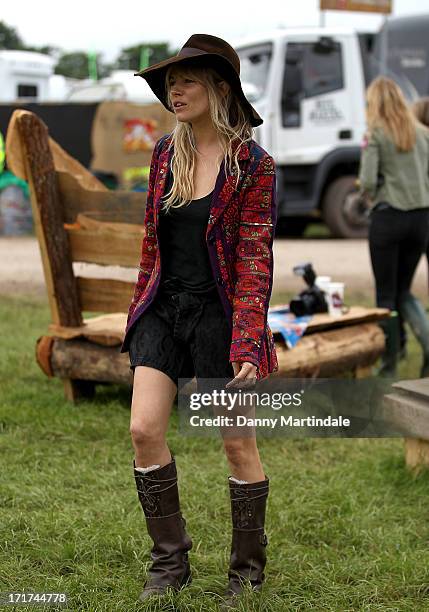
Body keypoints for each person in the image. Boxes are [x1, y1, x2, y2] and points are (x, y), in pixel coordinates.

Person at [120, 34, 278, 605]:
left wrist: (248, 343)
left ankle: (247, 570)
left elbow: (255, 260)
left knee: (237, 443)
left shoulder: (254, 166)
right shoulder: (166, 154)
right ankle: (170, 562)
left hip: (221, 314)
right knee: (143, 430)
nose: (173, 90)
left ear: (218, 87)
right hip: (165, 310)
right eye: (169, 83)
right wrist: (138, 316)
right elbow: (150, 248)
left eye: (185, 80)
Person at [358, 77, 429, 377]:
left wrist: (368, 192)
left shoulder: (376, 133)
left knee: (386, 296)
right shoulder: (424, 133)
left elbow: (369, 181)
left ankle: (389, 364)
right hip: (421, 219)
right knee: (404, 290)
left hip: (389, 218)